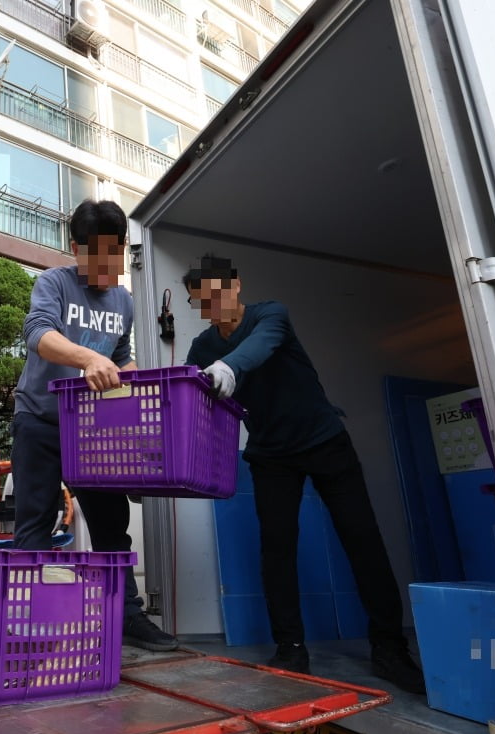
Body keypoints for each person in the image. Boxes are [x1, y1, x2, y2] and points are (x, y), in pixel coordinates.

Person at [182, 255, 425, 693]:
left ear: (236, 286)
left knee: (362, 539)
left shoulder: (270, 314)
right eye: (202, 301)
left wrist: (229, 368)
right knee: (277, 550)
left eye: (218, 294)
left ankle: (390, 648)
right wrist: (166, 458)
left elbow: (260, 346)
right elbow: (189, 401)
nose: (213, 306)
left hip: (325, 441)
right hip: (271, 455)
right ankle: (290, 647)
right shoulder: (202, 347)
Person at [11, 199, 179, 652]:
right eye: (98, 255)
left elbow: (120, 356)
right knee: (34, 526)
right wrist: (87, 358)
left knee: (111, 525)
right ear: (76, 249)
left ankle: (127, 616)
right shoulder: (54, 283)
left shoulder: (123, 300)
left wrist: (141, 378)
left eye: (116, 254)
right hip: (41, 421)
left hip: (94, 432)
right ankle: (30, 628)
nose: (108, 266)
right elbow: (37, 333)